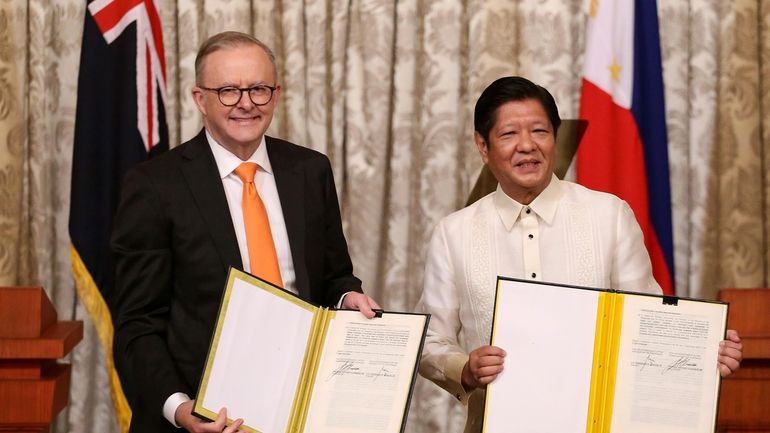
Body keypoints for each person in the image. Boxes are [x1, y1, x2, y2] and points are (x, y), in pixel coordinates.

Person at [415, 76, 743, 433]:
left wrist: (705, 352)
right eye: (509, 134)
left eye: (539, 131)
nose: (527, 145)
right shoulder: (454, 233)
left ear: (555, 138)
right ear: (483, 146)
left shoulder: (610, 216)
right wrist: (465, 369)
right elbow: (431, 341)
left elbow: (648, 324)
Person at [110, 31, 380, 433]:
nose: (246, 104)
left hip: (298, 408)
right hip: (201, 416)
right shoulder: (154, 186)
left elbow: (333, 276)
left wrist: (347, 297)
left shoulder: (309, 171)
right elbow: (138, 323)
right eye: (228, 91)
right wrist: (182, 410)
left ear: (276, 93)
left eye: (258, 89)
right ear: (200, 98)